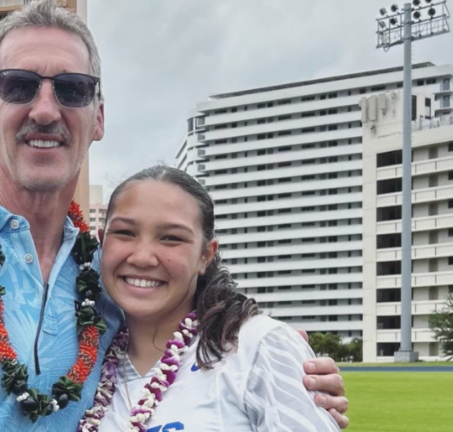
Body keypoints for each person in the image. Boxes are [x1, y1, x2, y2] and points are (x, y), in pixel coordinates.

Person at [0, 1, 348, 431]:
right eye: (19, 85)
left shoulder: (109, 279)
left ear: (98, 118)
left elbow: (191, 320)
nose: (45, 109)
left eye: (72, 89)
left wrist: (289, 366)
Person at [77, 166, 343, 432]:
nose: (142, 257)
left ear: (205, 255)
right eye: (125, 233)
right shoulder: (86, 362)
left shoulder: (256, 346)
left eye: (171, 238)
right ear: (102, 242)